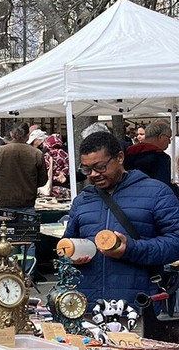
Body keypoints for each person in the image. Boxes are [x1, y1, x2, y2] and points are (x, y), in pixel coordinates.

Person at [64, 131, 179, 306]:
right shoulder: (82, 200)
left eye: (100, 166)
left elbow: (176, 243)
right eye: (87, 169)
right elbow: (67, 243)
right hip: (88, 306)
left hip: (139, 304)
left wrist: (130, 249)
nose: (93, 174)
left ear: (119, 158)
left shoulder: (157, 193)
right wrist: (70, 255)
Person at [0, 121, 48, 219]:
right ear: (28, 136)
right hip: (27, 201)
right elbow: (43, 181)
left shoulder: (0, 151)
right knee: (27, 232)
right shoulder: (36, 154)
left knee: (5, 232)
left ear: (11, 134)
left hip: (4, 202)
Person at [123, 121, 177, 196]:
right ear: (161, 137)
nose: (169, 142)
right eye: (169, 138)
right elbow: (163, 186)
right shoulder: (161, 157)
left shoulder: (127, 153)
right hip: (151, 198)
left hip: (127, 195)